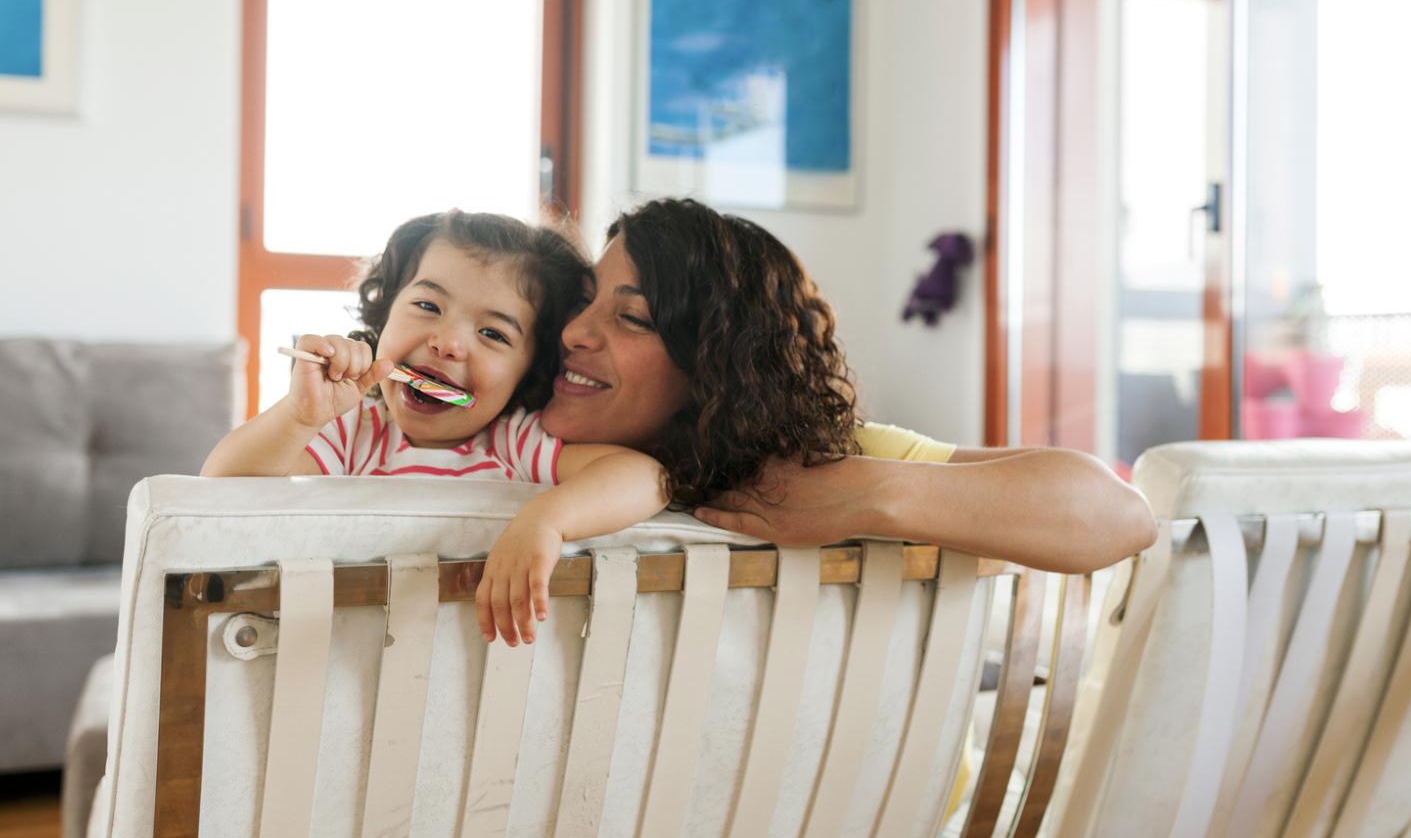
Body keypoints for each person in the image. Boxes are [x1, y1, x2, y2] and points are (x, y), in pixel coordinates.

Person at [540, 198, 1157, 573]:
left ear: (713, 368)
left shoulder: (819, 474)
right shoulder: (509, 441)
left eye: (634, 318)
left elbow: (1123, 516)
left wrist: (870, 498)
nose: (573, 332)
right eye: (585, 300)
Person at [201, 211, 667, 647]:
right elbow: (220, 489)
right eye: (428, 305)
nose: (447, 343)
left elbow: (647, 478)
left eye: (493, 334)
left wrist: (545, 520)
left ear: (529, 374)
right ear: (384, 316)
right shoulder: (352, 434)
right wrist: (299, 416)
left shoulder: (514, 443)